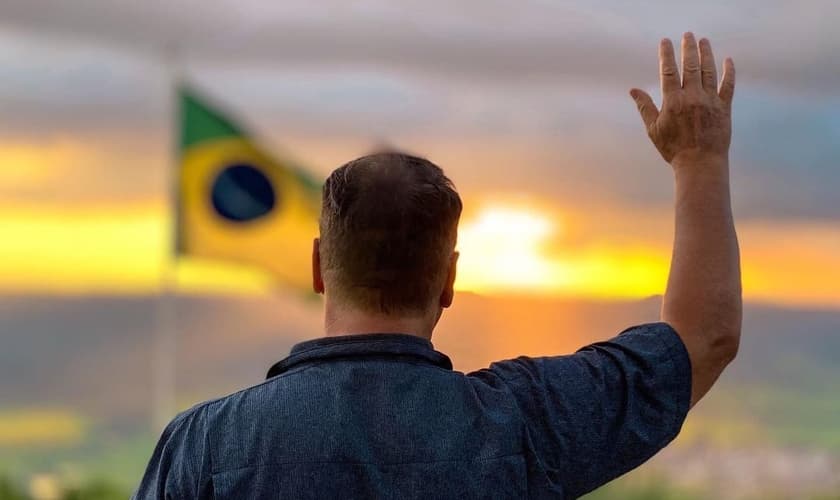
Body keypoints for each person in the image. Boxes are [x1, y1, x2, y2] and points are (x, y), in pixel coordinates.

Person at [133, 32, 741, 499]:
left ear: (320, 265)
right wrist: (700, 158)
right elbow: (703, 338)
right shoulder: (521, 426)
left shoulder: (203, 447)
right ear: (449, 280)